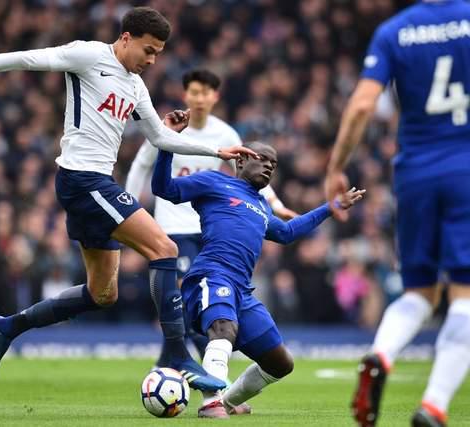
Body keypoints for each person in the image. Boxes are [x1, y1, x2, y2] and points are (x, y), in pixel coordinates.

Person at [0, 6, 257, 392]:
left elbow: (159, 137)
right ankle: (176, 353)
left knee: (102, 293)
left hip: (94, 184)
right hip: (83, 179)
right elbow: (28, 59)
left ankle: (6, 327)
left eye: (158, 54)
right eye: (148, 50)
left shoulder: (135, 85)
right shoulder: (88, 55)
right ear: (126, 38)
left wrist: (217, 152)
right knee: (165, 249)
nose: (152, 61)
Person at [324, 1, 470, 426]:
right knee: (465, 293)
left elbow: (362, 105)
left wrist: (336, 167)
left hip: (414, 173)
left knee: (419, 291)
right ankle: (433, 406)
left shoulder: (394, 31)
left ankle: (381, 354)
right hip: (466, 168)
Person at [153, 141, 365, 418]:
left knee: (281, 363)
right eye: (262, 158)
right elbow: (164, 188)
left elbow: (287, 232)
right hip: (212, 275)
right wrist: (166, 146)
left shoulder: (262, 205)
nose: (268, 166)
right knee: (223, 328)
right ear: (240, 160)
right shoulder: (213, 181)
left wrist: (331, 207)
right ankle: (211, 402)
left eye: (273, 164)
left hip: (242, 291)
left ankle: (228, 400)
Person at [126, 69, 296, 372]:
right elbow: (141, 164)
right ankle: (202, 365)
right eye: (194, 92)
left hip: (207, 227)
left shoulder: (225, 134)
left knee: (187, 301)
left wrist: (277, 205)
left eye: (205, 93)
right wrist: (127, 207)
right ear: (185, 95)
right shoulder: (170, 129)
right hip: (172, 226)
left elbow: (252, 168)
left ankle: (170, 363)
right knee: (186, 296)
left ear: (215, 97)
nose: (199, 98)